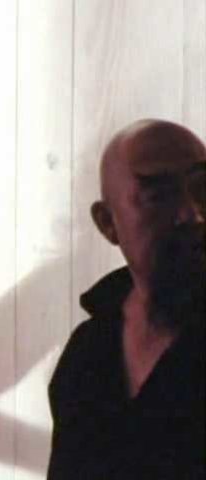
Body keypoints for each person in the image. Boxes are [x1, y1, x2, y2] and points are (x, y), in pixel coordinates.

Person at [47, 119, 205, 479]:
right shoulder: (87, 355)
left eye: (203, 190)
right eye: (159, 196)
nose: (192, 214)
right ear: (107, 223)